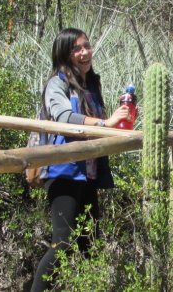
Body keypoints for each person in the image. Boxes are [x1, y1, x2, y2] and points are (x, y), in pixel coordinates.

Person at [31, 28, 130, 291]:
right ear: (65, 54)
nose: (85, 52)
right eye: (77, 49)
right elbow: (63, 118)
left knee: (90, 244)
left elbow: (104, 129)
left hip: (88, 174)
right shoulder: (57, 83)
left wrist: (122, 122)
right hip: (62, 172)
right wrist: (104, 122)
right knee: (62, 243)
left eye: (87, 46)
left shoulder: (92, 85)